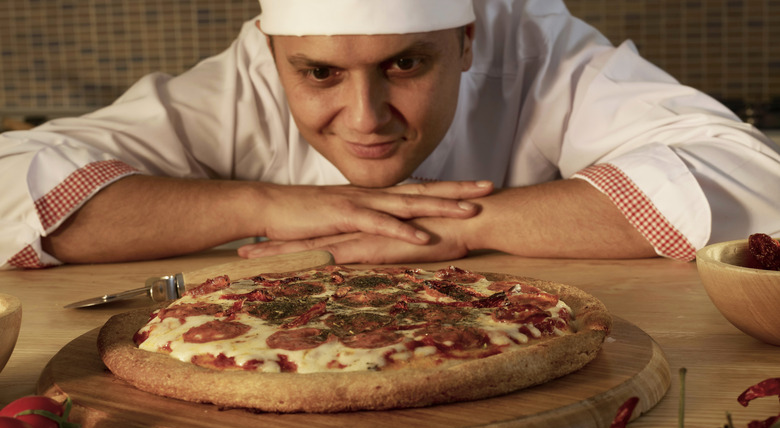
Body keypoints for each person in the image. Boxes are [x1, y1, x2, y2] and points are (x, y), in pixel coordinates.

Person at [1, 0, 779, 270]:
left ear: (468, 42)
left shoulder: (543, 50)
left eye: (405, 64)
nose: (366, 118)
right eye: (319, 75)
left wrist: (466, 227)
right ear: (271, 55)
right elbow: (12, 178)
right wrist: (264, 207)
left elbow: (757, 182)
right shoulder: (243, 80)